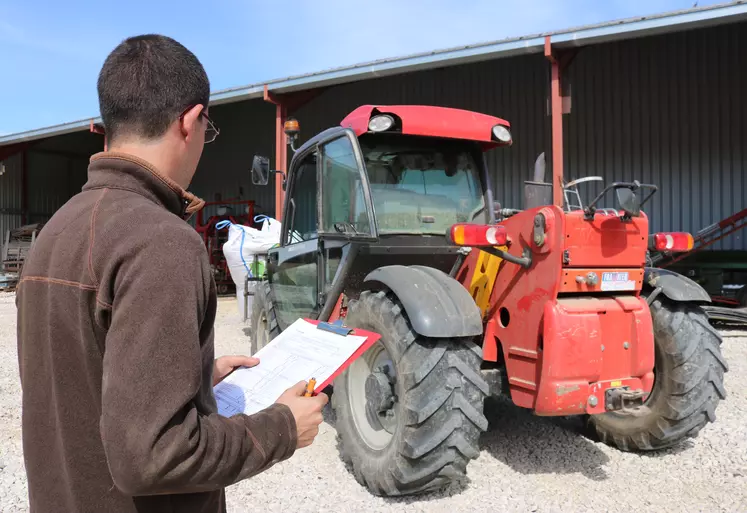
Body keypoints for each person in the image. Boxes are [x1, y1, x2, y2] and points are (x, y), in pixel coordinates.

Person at [16, 34, 328, 513]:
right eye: (209, 127)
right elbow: (155, 457)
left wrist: (195, 375)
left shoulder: (57, 231)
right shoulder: (161, 242)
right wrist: (283, 427)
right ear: (190, 121)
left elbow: (86, 375)